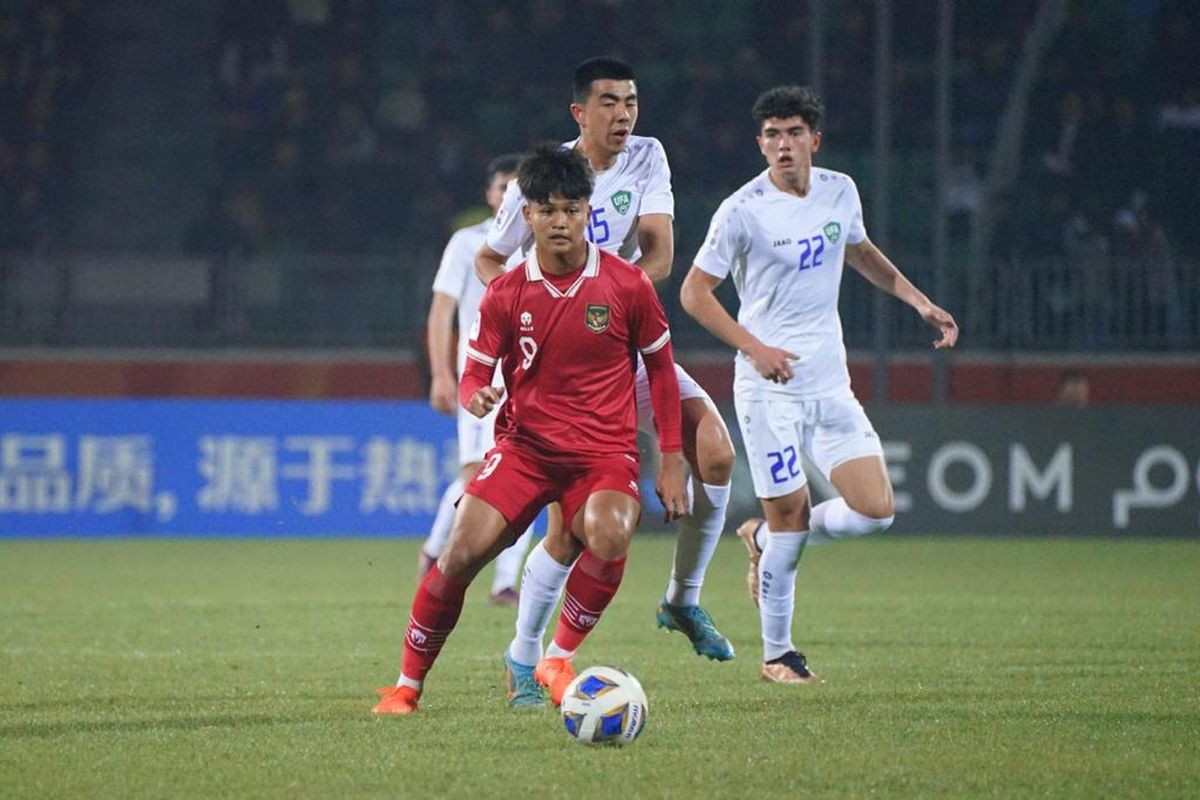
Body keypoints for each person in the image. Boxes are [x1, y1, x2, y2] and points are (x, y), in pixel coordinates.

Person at [373, 144, 689, 715]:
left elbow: (661, 371)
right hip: (524, 450)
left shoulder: (626, 285)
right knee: (460, 554)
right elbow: (473, 374)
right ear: (528, 216)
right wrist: (476, 395)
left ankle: (555, 658)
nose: (560, 220)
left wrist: (670, 457)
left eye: (572, 208)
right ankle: (406, 686)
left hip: (603, 454)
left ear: (589, 212)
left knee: (611, 533)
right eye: (548, 210)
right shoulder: (506, 290)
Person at [680, 85, 959, 684]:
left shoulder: (839, 189)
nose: (783, 145)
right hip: (768, 393)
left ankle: (759, 539)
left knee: (876, 511)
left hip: (830, 386)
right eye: (772, 135)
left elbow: (858, 251)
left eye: (794, 133)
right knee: (792, 519)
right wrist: (755, 348)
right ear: (761, 144)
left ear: (814, 140)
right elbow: (693, 293)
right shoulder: (742, 210)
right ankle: (778, 654)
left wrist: (918, 301)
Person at [475, 57, 738, 689]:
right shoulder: (542, 181)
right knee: (569, 533)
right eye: (609, 103)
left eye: (632, 102)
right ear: (579, 113)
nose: (623, 115)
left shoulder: (648, 157)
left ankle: (681, 598)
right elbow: (490, 259)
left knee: (717, 455)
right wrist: (538, 314)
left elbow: (660, 252)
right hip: (568, 374)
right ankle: (524, 653)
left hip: (628, 345)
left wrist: (603, 304)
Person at [420, 154, 532, 607]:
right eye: (502, 186)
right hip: (480, 376)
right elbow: (442, 310)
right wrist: (442, 374)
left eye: (517, 187)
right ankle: (434, 548)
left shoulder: (540, 241)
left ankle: (505, 582)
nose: (508, 194)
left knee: (528, 480)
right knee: (474, 479)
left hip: (527, 378)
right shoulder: (467, 244)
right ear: (489, 195)